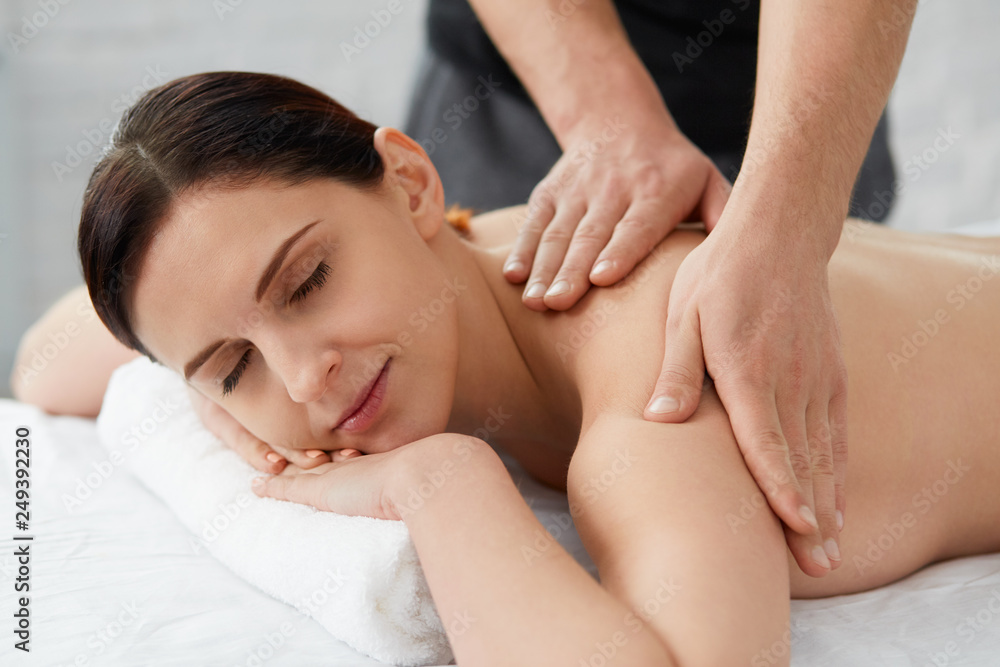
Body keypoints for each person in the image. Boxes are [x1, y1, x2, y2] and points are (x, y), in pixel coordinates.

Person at [12, 71, 1000, 665]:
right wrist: (216, 383)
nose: (304, 379)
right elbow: (47, 357)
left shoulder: (659, 395)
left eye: (307, 282)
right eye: (231, 366)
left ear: (408, 180)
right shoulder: (476, 241)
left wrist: (438, 484)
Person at [405, 0, 919, 568]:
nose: (306, 382)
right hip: (524, 62)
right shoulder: (440, 253)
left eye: (312, 280)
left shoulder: (646, 401)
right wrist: (607, 118)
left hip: (804, 62)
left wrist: (791, 223)